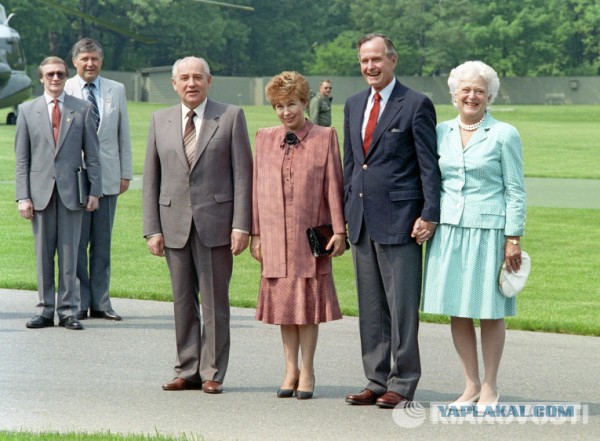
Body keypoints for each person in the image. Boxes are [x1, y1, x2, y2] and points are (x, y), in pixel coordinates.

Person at [142, 56, 252, 394]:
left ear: (209, 81)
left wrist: (241, 225)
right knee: (181, 301)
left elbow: (243, 176)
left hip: (217, 224)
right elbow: (151, 179)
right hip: (173, 223)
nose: (191, 84)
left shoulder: (230, 116)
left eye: (197, 78)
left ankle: (213, 372)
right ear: (174, 84)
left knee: (215, 303)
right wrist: (152, 228)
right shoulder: (159, 120)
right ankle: (187, 369)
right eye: (184, 78)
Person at [421, 61, 526, 411]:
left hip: (489, 231)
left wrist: (514, 237)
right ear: (453, 95)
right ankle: (470, 386)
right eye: (465, 90)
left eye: (479, 90)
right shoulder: (440, 132)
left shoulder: (504, 134)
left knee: (490, 311)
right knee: (457, 309)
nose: (472, 95)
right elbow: (432, 182)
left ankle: (491, 387)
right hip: (449, 230)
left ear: (490, 96)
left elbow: (515, 190)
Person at [343, 33, 441, 408]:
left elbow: (428, 167)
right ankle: (375, 378)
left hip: (402, 220)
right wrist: (345, 215)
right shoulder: (353, 105)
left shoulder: (415, 104)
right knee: (370, 308)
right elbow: (351, 165)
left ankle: (403, 381)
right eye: (365, 61)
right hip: (362, 221)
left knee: (401, 308)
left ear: (393, 60)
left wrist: (429, 214)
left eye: (377, 60)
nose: (370, 66)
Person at [250, 71, 346, 400]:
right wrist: (256, 233)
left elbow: (335, 187)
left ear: (305, 103)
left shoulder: (325, 136)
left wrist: (340, 230)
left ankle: (308, 369)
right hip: (275, 236)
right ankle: (289, 368)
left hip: (310, 237)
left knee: (306, 306)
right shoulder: (263, 138)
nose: (285, 112)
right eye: (278, 106)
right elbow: (256, 190)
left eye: (291, 104)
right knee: (283, 307)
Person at [15, 56, 102, 331]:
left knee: (69, 254)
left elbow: (94, 156)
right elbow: (22, 159)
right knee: (43, 254)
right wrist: (23, 196)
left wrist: (94, 191)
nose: (55, 78)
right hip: (39, 193)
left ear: (66, 77)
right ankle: (44, 309)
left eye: (61, 74)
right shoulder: (27, 110)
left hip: (72, 192)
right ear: (41, 77)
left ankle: (67, 311)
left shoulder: (83, 109)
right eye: (50, 74)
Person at [65, 38, 133, 322]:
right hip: (74, 177)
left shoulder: (116, 90)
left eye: (94, 59)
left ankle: (102, 302)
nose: (90, 64)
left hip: (108, 176)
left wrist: (125, 173)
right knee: (78, 243)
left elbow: (123, 134)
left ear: (101, 61)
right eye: (84, 59)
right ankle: (80, 302)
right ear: (75, 62)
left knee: (102, 242)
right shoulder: (64, 88)